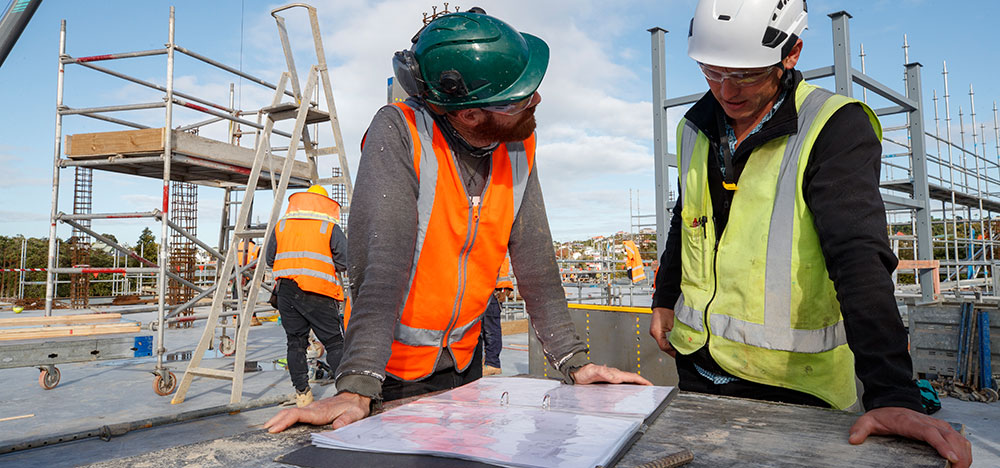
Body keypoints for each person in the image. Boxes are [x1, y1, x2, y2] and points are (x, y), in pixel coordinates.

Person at [265, 9, 649, 433]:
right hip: (390, 377)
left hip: (466, 366)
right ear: (469, 114)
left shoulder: (517, 146)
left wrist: (574, 362)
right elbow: (381, 265)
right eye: (518, 98)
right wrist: (357, 384)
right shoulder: (399, 134)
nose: (535, 101)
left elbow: (537, 264)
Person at [648, 1, 971, 466]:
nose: (725, 90)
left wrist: (892, 393)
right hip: (699, 366)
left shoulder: (833, 126)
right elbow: (689, 216)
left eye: (745, 75)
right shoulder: (693, 128)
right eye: (711, 72)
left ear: (791, 52)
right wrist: (665, 295)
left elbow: (858, 255)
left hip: (796, 382)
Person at [265, 184, 348, 407]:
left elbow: (270, 260)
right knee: (334, 343)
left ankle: (302, 394)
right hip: (318, 291)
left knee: (295, 343)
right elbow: (344, 262)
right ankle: (347, 393)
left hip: (287, 292)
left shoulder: (282, 225)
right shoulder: (328, 226)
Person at [483, 255, 514, 376]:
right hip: (488, 288)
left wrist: (503, 288)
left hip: (494, 289)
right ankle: (488, 361)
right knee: (483, 328)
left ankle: (493, 363)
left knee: (490, 329)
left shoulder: (496, 242)